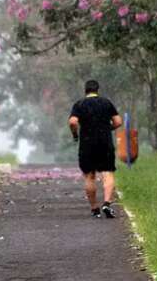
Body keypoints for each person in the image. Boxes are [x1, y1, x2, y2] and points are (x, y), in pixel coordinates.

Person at [68, 80, 123, 218]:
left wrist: (75, 134)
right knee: (108, 173)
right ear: (97, 90)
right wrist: (107, 128)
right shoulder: (106, 102)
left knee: (89, 176)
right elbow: (118, 122)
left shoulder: (79, 104)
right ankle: (107, 203)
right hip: (105, 143)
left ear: (85, 90)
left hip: (87, 144)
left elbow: (73, 122)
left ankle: (94, 209)